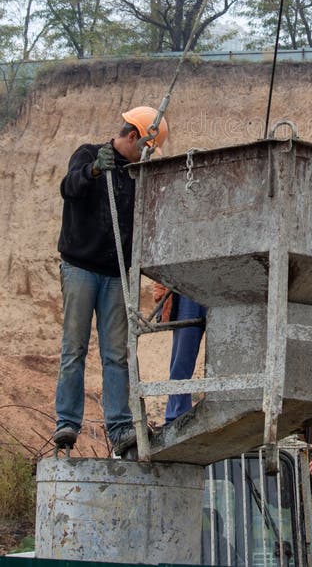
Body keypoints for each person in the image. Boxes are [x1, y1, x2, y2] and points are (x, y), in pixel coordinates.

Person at [53, 106, 168, 455]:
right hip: (81, 268)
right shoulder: (88, 155)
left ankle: (119, 428)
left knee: (116, 354)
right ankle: (67, 424)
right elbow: (68, 188)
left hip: (117, 273)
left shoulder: (137, 174)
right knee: (74, 348)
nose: (147, 155)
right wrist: (91, 171)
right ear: (133, 136)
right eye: (146, 147)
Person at [153, 284, 207, 422]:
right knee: (183, 353)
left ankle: (227, 405)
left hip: (225, 279)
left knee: (226, 352)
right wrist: (160, 288)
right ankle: (176, 416)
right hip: (187, 283)